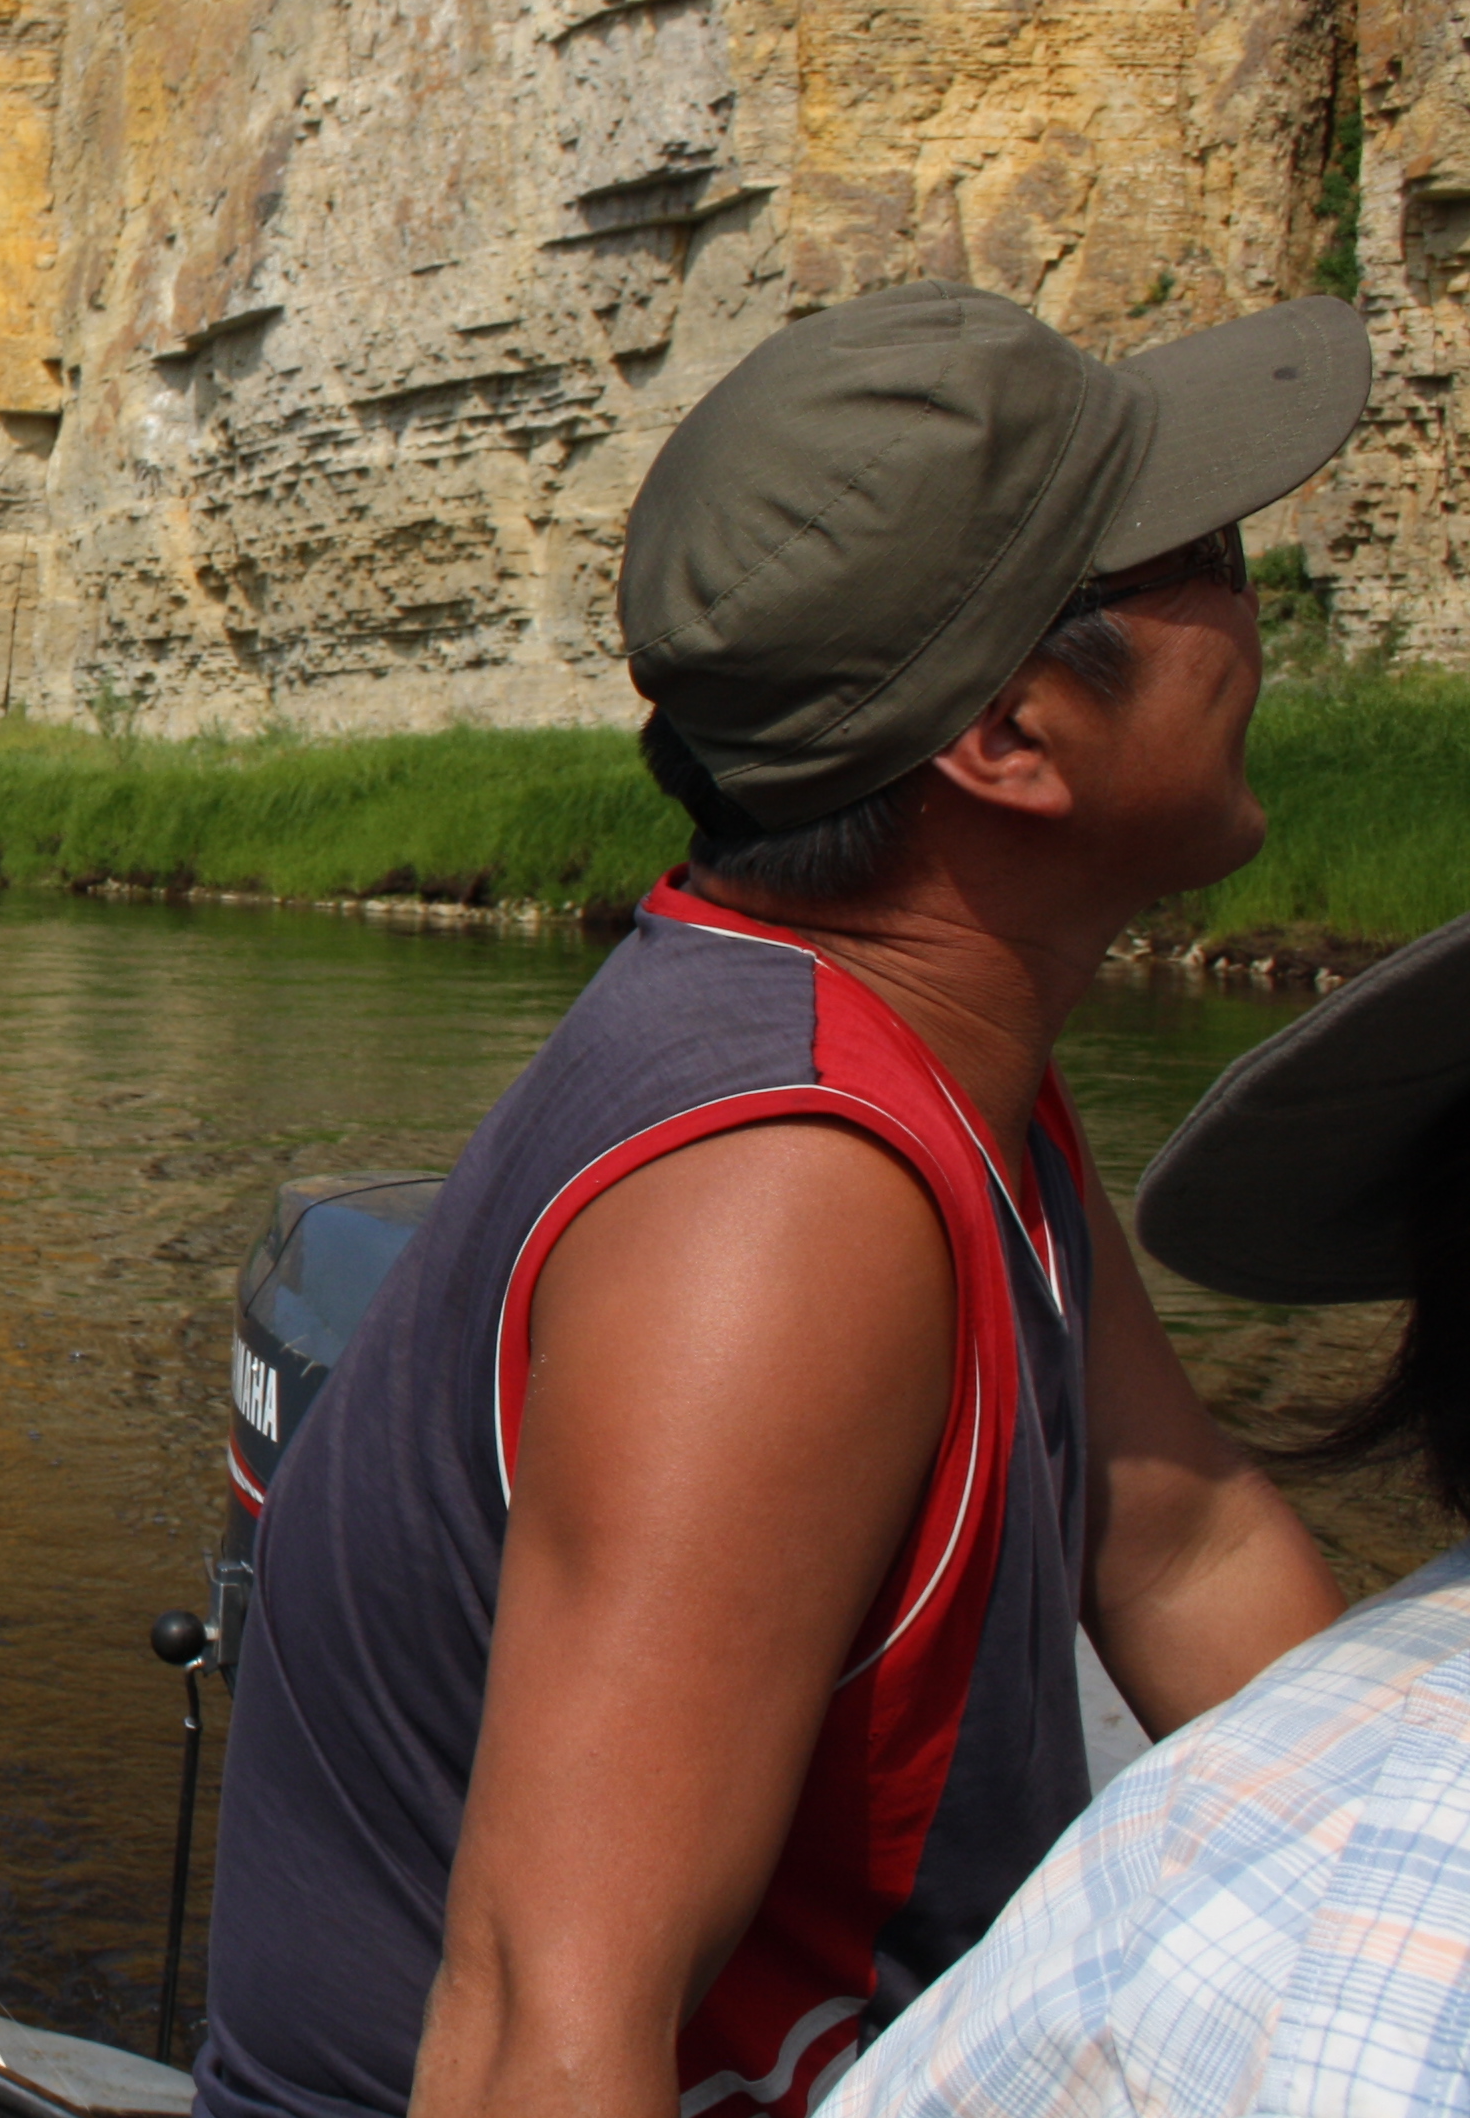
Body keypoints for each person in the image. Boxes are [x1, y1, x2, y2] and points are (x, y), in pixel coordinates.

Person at [197, 279, 1370, 2118]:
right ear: (1007, 738)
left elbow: (1183, 1543)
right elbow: (533, 2032)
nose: (1254, 604)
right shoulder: (782, 1199)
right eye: (1199, 555)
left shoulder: (953, 1058)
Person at [823, 911, 1470, 2117]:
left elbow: (1183, 1541)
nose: (1243, 705)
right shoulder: (817, 1121)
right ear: (1011, 739)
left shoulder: (984, 1078)